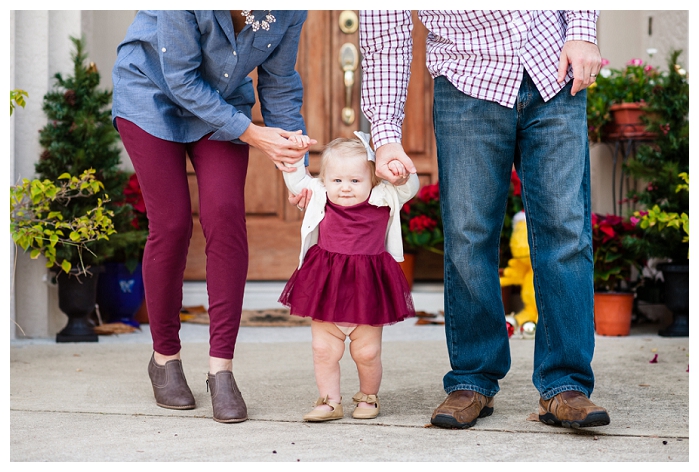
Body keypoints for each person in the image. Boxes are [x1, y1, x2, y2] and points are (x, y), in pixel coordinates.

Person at [359, 10, 611, 429]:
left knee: (565, 232)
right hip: (468, 79)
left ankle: (565, 385)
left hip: (555, 69)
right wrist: (385, 135)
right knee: (468, 236)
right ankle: (473, 378)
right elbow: (385, 30)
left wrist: (583, 33)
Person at [111, 10, 316, 424]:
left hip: (222, 104)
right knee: (171, 225)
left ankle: (221, 370)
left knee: (225, 217)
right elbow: (181, 79)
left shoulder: (290, 8)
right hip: (150, 92)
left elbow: (278, 83)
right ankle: (164, 358)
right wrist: (254, 134)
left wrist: (298, 176)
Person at [278, 132, 419, 421]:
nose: (345, 188)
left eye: (355, 181)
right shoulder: (319, 196)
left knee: (366, 352)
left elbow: (409, 188)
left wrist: (401, 173)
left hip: (367, 287)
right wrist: (293, 158)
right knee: (323, 349)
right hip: (327, 285)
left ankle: (368, 396)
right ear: (325, 181)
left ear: (372, 181)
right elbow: (297, 181)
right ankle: (330, 402)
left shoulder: (383, 196)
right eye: (337, 180)